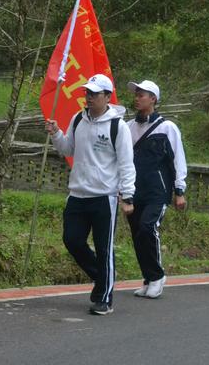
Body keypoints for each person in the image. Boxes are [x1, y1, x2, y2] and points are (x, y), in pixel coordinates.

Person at [45, 74, 136, 315]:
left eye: (94, 94)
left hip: (104, 197)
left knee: (104, 247)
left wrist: (127, 196)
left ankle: (104, 297)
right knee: (72, 240)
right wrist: (55, 133)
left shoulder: (118, 126)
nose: (89, 97)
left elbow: (127, 164)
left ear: (107, 96)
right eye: (87, 93)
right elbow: (68, 148)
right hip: (77, 194)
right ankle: (102, 275)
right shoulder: (78, 119)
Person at [126, 80, 187, 299]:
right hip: (134, 191)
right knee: (137, 235)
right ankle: (148, 278)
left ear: (153, 99)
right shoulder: (129, 127)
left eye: (142, 94)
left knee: (147, 227)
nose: (137, 97)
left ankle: (158, 276)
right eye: (136, 94)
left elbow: (178, 159)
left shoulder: (167, 128)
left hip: (157, 192)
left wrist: (179, 190)